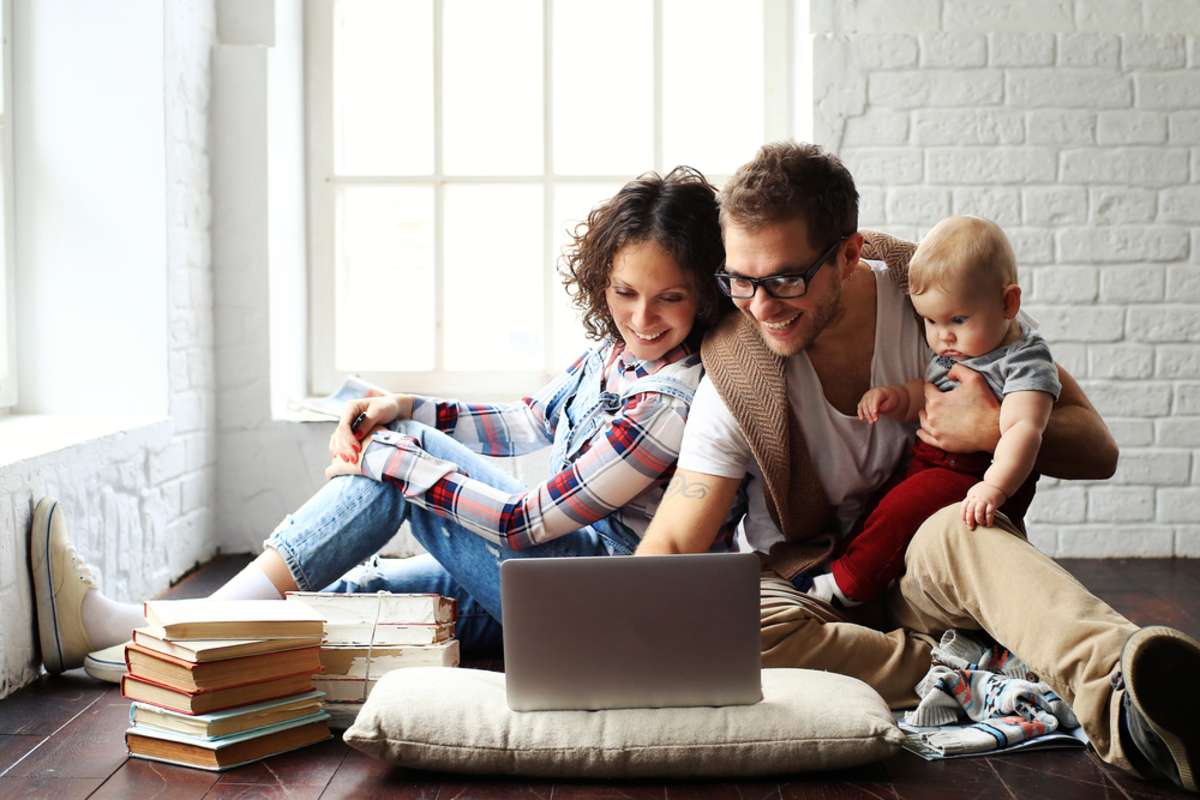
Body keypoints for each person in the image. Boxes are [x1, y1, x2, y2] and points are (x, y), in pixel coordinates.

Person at [635, 142, 1199, 792]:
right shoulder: (738, 370)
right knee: (729, 627)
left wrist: (991, 424)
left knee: (965, 526)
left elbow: (1097, 449)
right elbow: (680, 531)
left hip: (921, 566)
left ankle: (1127, 695)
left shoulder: (941, 299)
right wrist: (623, 626)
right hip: (804, 590)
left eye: (785, 279)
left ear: (849, 254)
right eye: (740, 281)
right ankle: (983, 669)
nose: (761, 306)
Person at [32, 165, 736, 677]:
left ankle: (144, 628)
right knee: (368, 599)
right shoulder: (615, 355)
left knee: (402, 462)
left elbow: (524, 525)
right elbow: (528, 421)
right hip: (548, 582)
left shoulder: (667, 402)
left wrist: (388, 459)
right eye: (625, 293)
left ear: (704, 292)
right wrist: (405, 406)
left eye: (670, 298)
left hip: (588, 608)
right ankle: (150, 643)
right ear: (600, 282)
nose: (644, 319)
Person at [795, 214, 1059, 608]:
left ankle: (847, 587)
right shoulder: (960, 347)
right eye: (931, 321)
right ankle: (847, 570)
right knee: (880, 504)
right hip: (929, 462)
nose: (942, 335)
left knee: (901, 511)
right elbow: (931, 392)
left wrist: (994, 488)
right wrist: (897, 398)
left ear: (1009, 303)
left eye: (957, 320)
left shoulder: (1022, 359)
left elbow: (1024, 429)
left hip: (975, 474)